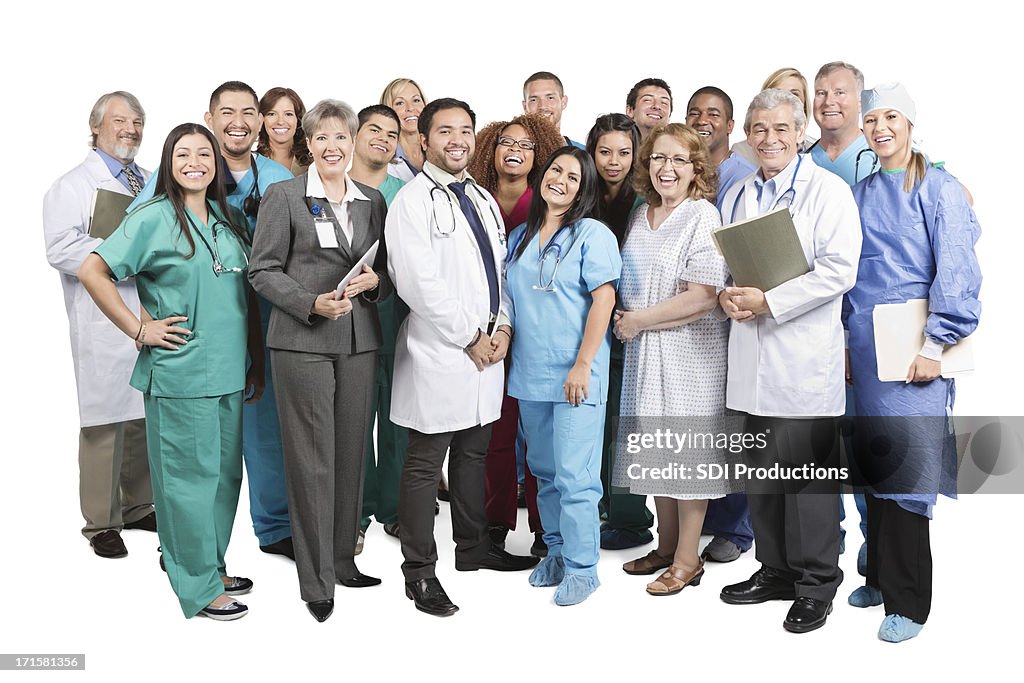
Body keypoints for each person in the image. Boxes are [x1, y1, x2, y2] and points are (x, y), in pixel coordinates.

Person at [78, 122, 263, 620]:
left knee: (223, 482)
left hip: (229, 372)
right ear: (168, 162)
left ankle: (211, 565)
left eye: (205, 153)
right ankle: (197, 588)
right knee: (186, 484)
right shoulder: (154, 218)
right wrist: (140, 330)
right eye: (184, 154)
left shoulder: (227, 220)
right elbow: (93, 270)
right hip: (181, 375)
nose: (196, 162)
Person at [385, 98, 538, 618]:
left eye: (466, 130)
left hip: (486, 353)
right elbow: (417, 281)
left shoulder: (481, 197)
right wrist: (470, 336)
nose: (457, 139)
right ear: (423, 140)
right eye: (445, 130)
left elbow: (501, 273)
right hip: (440, 353)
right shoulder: (411, 200)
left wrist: (504, 328)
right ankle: (419, 573)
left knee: (474, 456)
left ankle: (474, 549)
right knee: (425, 466)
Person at [717, 89, 862, 634]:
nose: (769, 139)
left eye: (780, 129)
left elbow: (839, 270)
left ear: (800, 134)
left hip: (803, 361)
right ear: (748, 136)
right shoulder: (739, 193)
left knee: (807, 481)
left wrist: (770, 302)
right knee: (762, 477)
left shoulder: (827, 192)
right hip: (752, 355)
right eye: (759, 129)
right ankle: (774, 569)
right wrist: (730, 295)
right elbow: (732, 265)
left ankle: (816, 583)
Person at [132, 81, 296, 559]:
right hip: (199, 331)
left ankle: (274, 528)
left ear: (262, 122)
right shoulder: (191, 171)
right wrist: (144, 321)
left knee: (264, 437)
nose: (238, 121)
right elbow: (140, 243)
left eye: (249, 111)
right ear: (210, 118)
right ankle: (183, 547)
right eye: (227, 112)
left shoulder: (277, 174)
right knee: (197, 456)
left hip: (262, 324)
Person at [844, 83, 981, 642]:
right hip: (863, 347)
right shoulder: (861, 192)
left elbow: (956, 268)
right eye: (871, 118)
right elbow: (848, 269)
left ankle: (908, 602)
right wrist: (846, 346)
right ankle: (876, 574)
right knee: (868, 470)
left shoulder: (940, 189)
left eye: (891, 117)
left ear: (910, 124)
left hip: (914, 353)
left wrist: (934, 345)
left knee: (906, 473)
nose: (880, 127)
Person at [248, 99, 389, 622]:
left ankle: (342, 558)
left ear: (353, 144)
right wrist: (311, 303)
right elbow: (262, 271)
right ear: (309, 143)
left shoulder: (371, 199)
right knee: (311, 460)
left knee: (352, 452)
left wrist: (376, 284)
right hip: (303, 339)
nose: (333, 147)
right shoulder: (284, 196)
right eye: (323, 138)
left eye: (342, 138)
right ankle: (315, 580)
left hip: (358, 340)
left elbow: (384, 271)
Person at [613, 123, 730, 595]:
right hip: (645, 350)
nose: (667, 168)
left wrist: (639, 321)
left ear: (695, 168)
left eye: (679, 160)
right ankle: (664, 546)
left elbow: (702, 296)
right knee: (656, 451)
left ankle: (687, 559)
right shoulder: (642, 216)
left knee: (687, 457)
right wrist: (636, 323)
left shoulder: (703, 216)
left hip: (692, 354)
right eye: (659, 158)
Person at [43, 91, 157, 559]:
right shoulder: (71, 186)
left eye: (137, 122)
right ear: (96, 127)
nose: (129, 129)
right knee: (104, 420)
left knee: (144, 415)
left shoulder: (149, 180)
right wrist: (119, 257)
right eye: (119, 121)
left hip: (148, 312)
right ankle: (102, 521)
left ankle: (137, 506)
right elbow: (59, 248)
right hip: (102, 317)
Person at [505, 146, 621, 606]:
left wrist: (582, 363)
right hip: (531, 372)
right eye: (556, 171)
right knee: (544, 472)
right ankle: (554, 551)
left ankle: (582, 566)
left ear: (584, 190)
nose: (561, 181)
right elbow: (510, 300)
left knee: (576, 476)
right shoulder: (520, 236)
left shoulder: (591, 234)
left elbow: (604, 300)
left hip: (577, 374)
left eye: (574, 177)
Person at [466, 113, 564, 556]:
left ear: (539, 155)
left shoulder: (548, 206)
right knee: (496, 434)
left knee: (542, 438)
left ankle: (547, 529)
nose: (516, 151)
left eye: (527, 146)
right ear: (491, 147)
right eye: (508, 142)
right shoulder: (473, 201)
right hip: (485, 333)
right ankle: (496, 523)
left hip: (538, 334)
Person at [684, 86, 756, 562]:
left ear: (731, 126)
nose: (703, 119)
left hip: (739, 313)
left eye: (714, 113)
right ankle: (700, 517)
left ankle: (737, 526)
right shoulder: (686, 172)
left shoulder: (745, 176)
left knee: (733, 424)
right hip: (694, 320)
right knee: (701, 423)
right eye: (695, 113)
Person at [584, 113, 654, 551]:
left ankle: (630, 518)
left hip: (632, 321)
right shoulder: (582, 196)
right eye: (605, 152)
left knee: (627, 421)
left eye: (624, 153)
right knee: (596, 420)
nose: (614, 161)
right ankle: (603, 505)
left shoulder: (645, 200)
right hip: (589, 321)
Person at [348, 104, 408, 553]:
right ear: (354, 134)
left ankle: (395, 509)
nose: (384, 140)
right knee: (354, 421)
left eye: (393, 134)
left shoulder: (404, 193)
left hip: (394, 320)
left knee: (397, 420)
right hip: (344, 326)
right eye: (375, 130)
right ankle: (358, 512)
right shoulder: (332, 187)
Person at [809, 62, 876, 186]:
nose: (828, 102)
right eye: (821, 93)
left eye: (839, 92)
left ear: (861, 102)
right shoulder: (800, 162)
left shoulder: (885, 156)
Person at [733, 68, 816, 166]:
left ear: (805, 104)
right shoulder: (742, 152)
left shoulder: (816, 150)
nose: (786, 100)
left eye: (794, 94)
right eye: (777, 93)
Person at [380, 78, 428, 182]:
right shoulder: (381, 161)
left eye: (416, 100)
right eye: (400, 103)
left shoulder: (438, 150)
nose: (410, 108)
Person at [257, 86, 312, 175]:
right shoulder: (251, 163)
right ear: (261, 119)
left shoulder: (314, 163)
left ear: (298, 119)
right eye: (272, 114)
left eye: (288, 114)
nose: (280, 122)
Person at [522, 71, 584, 148]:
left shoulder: (583, 153)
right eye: (534, 100)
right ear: (525, 106)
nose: (542, 106)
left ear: (564, 102)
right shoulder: (513, 152)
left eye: (550, 98)